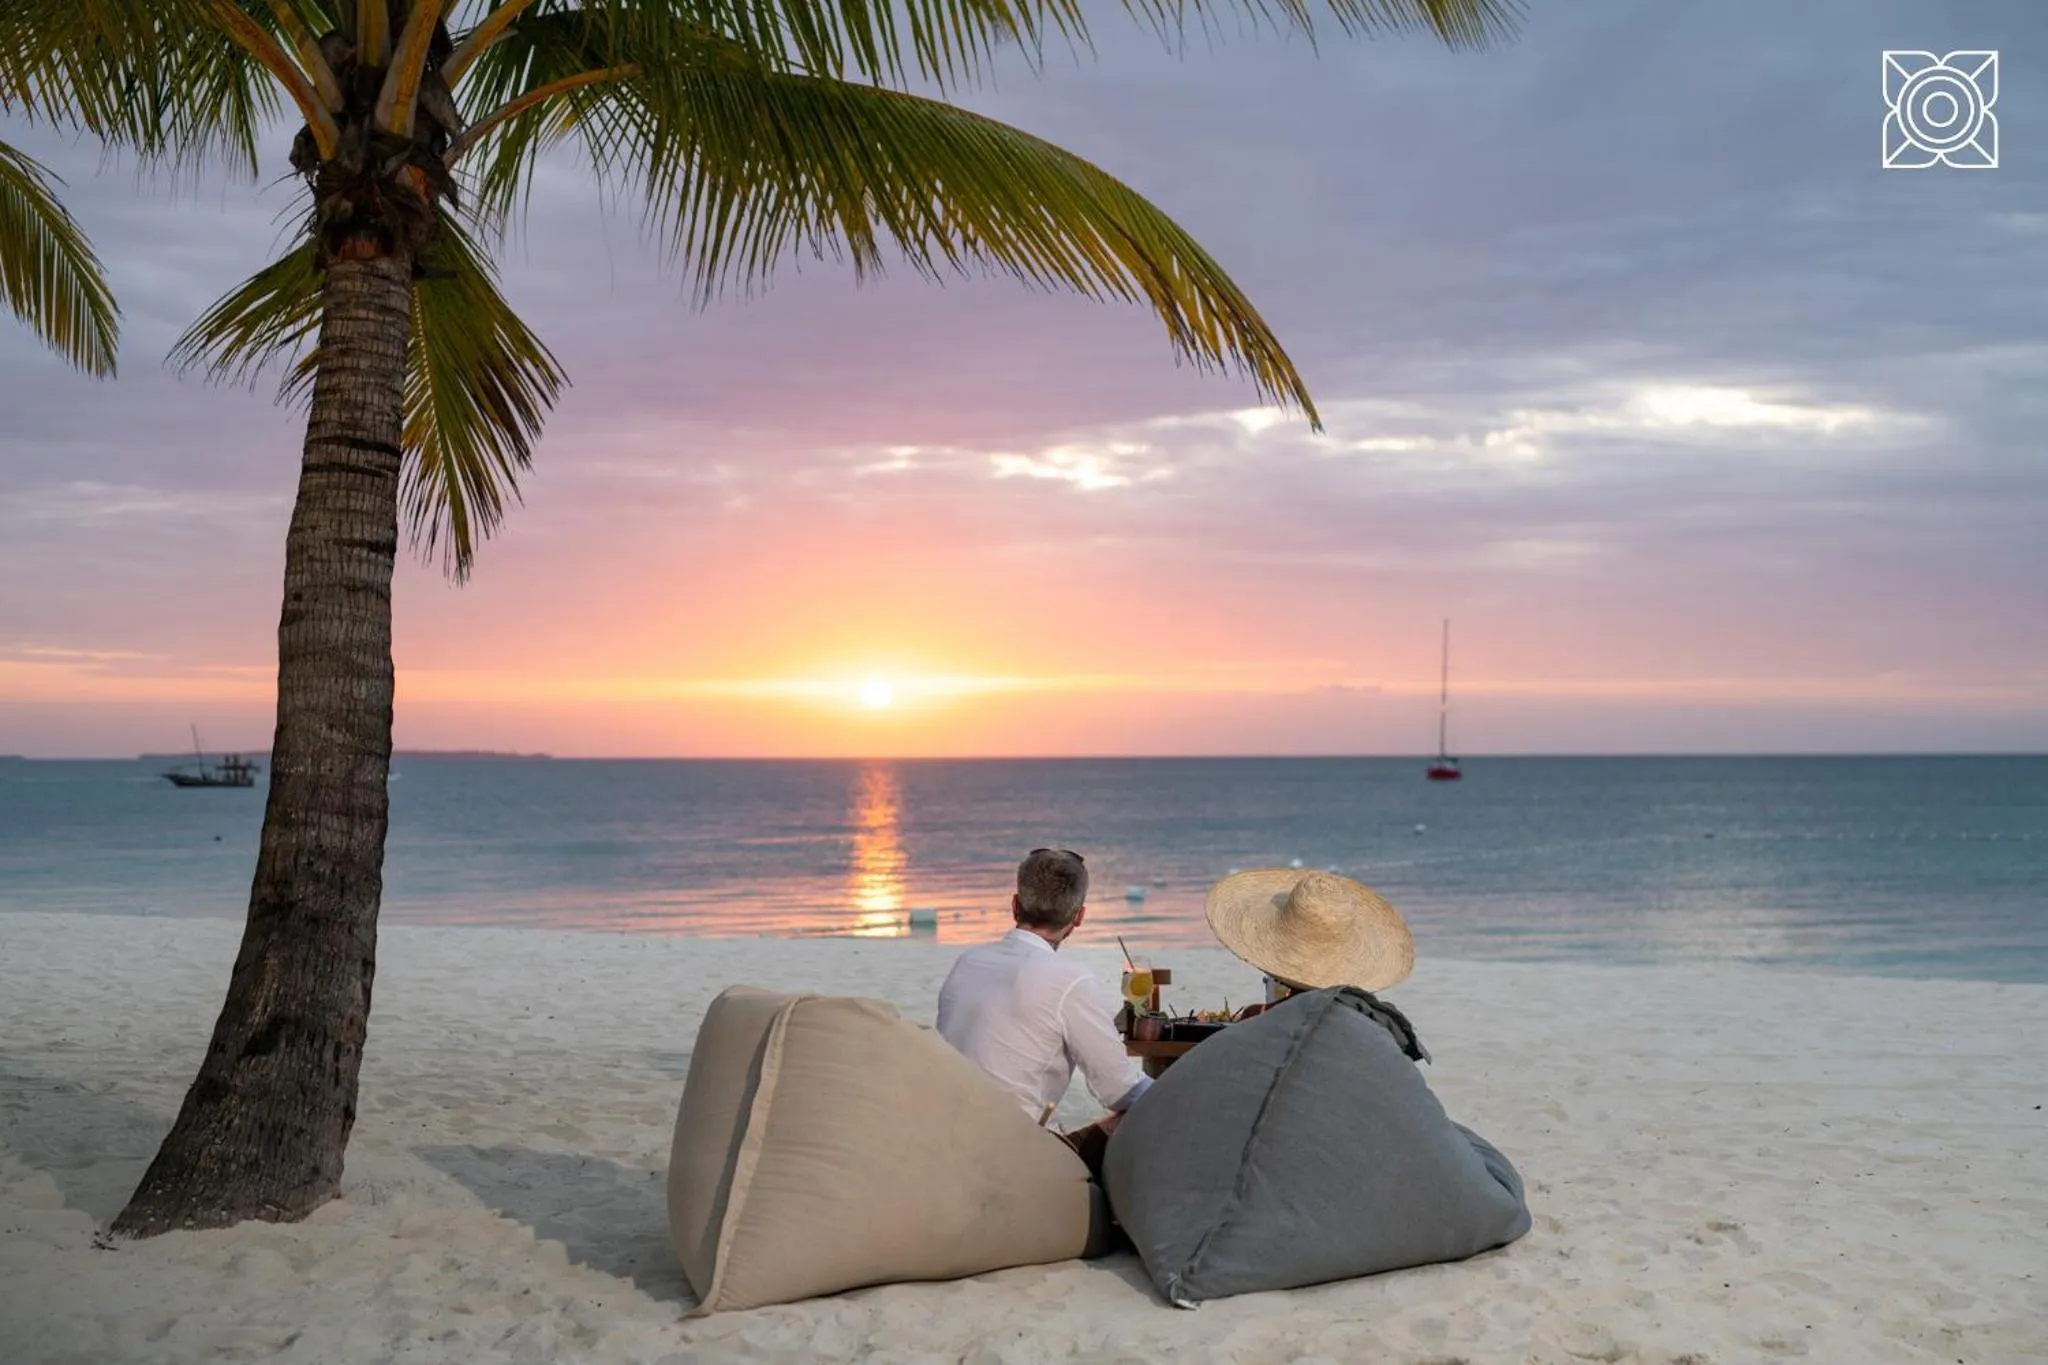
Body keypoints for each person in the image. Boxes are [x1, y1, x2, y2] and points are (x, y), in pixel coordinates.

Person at [936, 847, 1150, 1182]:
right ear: (1078, 917)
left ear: (1015, 905)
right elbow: (1118, 1089)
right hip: (1017, 1156)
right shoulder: (1070, 979)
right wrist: (1176, 1090)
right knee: (1139, 1115)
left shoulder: (968, 962)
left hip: (946, 1141)